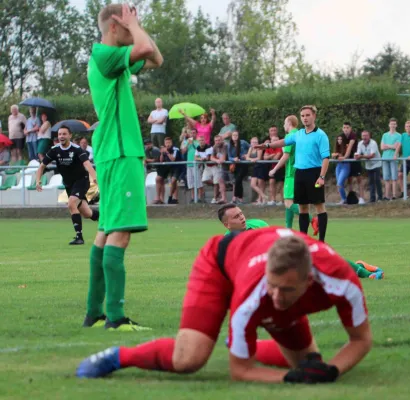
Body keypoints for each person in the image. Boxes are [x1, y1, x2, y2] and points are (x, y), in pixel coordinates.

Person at [76, 228, 373, 384]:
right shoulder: (257, 291)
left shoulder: (343, 282)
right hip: (219, 263)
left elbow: (361, 340)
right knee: (189, 359)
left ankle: (241, 340)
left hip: (255, 265)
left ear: (309, 282)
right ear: (267, 275)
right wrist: (287, 379)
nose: (277, 296)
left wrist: (332, 370)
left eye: (287, 289)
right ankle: (118, 356)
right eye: (273, 286)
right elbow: (240, 371)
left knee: (310, 367)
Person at [85, 3, 163, 330]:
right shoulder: (105, 55)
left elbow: (155, 58)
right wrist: (135, 27)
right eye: (129, 24)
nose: (134, 29)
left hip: (113, 151)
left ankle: (95, 312)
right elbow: (145, 48)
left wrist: (135, 26)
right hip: (119, 151)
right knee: (120, 233)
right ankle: (115, 318)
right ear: (115, 26)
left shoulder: (112, 60)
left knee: (105, 230)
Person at [217, 203, 384, 279]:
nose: (242, 217)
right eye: (236, 217)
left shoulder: (257, 224)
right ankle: (358, 266)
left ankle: (364, 272)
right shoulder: (228, 243)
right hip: (275, 268)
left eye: (241, 214)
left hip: (285, 255)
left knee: (321, 255)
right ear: (226, 224)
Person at [255, 106, 330, 242]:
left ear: (314, 116)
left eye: (308, 115)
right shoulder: (299, 134)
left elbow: (326, 158)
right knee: (302, 207)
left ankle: (322, 241)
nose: (305, 118)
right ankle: (304, 240)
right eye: (302, 116)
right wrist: (267, 146)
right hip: (299, 173)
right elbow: (283, 142)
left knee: (319, 205)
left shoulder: (320, 135)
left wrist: (321, 176)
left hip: (314, 173)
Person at [35, 126, 99, 245]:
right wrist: (38, 180)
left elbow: (87, 164)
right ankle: (103, 218)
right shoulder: (54, 150)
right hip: (69, 185)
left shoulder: (77, 149)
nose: (61, 136)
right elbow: (41, 166)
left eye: (64, 134)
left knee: (71, 203)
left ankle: (79, 237)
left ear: (70, 136)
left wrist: (94, 176)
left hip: (82, 181)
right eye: (59, 134)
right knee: (87, 213)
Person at [269, 115, 318, 233]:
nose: (283, 126)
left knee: (288, 202)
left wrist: (274, 169)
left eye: (285, 123)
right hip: (301, 171)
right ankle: (288, 229)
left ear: (289, 123)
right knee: (290, 202)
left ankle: (314, 220)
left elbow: (286, 155)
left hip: (291, 174)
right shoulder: (301, 134)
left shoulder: (291, 136)